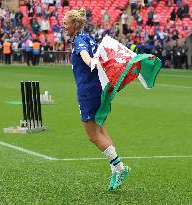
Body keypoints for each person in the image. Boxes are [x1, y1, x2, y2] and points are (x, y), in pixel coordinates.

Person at [63, 8, 130, 191]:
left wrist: (91, 62)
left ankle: (120, 168)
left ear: (75, 25)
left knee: (93, 135)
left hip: (88, 92)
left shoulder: (79, 40)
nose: (64, 26)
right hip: (98, 89)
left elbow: (87, 58)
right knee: (100, 129)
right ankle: (115, 170)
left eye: (66, 23)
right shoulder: (90, 37)